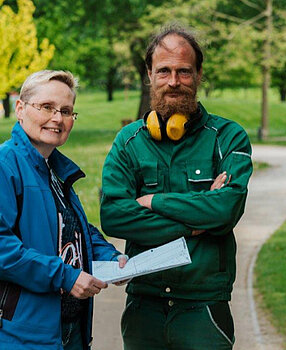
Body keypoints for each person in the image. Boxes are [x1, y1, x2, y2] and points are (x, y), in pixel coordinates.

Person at [100, 24, 253, 350]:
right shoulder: (128, 142)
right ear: (149, 74)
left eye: (183, 71)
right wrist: (199, 220)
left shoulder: (227, 137)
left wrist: (153, 200)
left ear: (199, 74)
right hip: (144, 307)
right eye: (164, 71)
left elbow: (225, 210)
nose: (173, 81)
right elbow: (113, 216)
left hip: (204, 308)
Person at [0, 70, 127, 350]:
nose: (57, 118)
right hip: (15, 337)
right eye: (47, 107)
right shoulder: (1, 166)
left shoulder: (54, 168)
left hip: (66, 332)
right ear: (20, 109)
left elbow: (73, 229)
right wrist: (65, 276)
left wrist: (108, 257)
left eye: (66, 111)